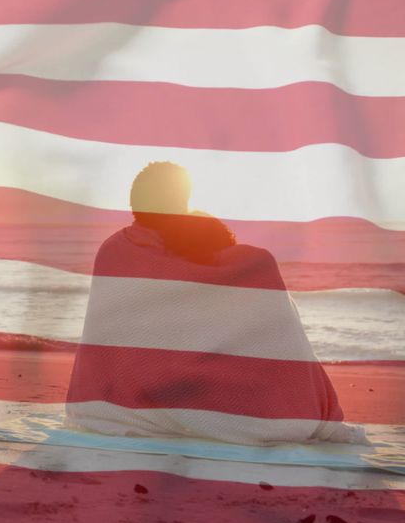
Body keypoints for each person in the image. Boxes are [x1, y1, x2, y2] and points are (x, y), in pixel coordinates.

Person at [65, 162, 365, 446]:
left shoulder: (116, 251)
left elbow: (110, 347)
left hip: (133, 399)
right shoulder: (219, 252)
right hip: (199, 395)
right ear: (181, 201)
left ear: (135, 205)